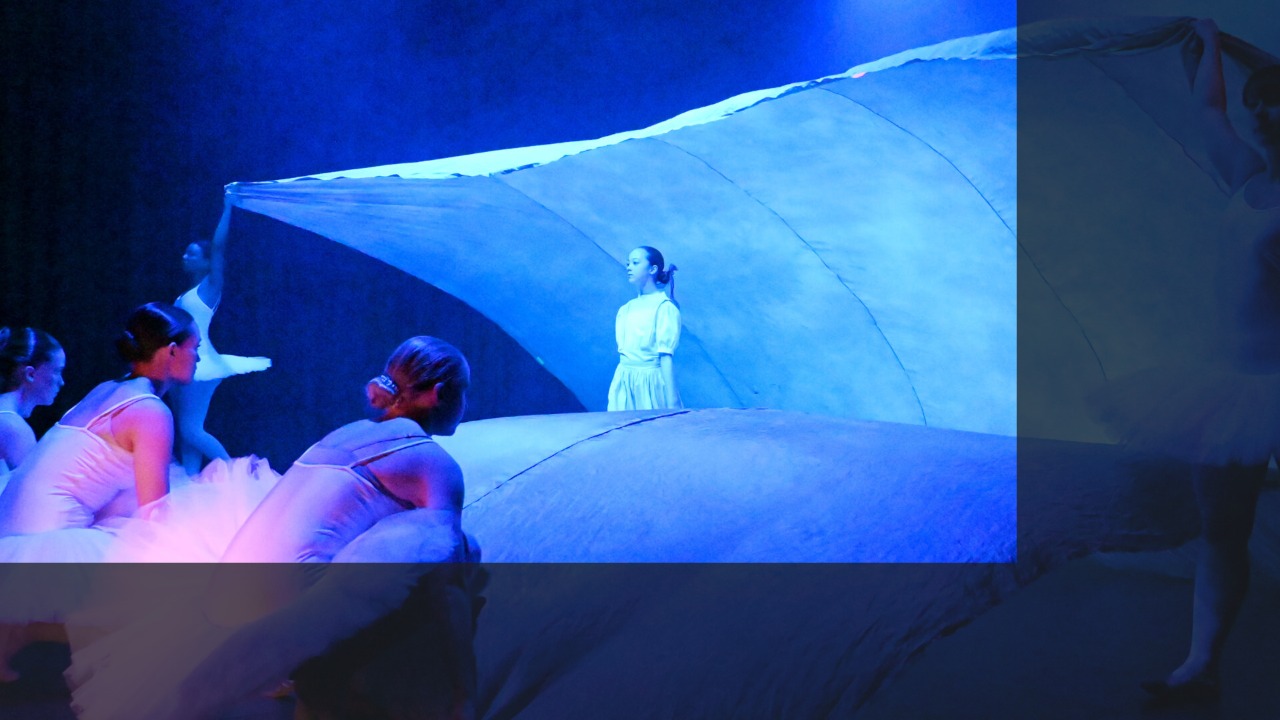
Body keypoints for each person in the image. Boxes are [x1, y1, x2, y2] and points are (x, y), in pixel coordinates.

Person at [67, 335, 477, 720]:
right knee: (458, 549)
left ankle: (318, 691)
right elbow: (447, 582)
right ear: (439, 393)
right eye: (464, 393)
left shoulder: (350, 432)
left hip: (226, 598)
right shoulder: (433, 463)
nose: (466, 404)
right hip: (288, 608)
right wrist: (466, 686)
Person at [1102, 22, 1280, 705]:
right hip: (1230, 389)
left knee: (1225, 531)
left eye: (1274, 106)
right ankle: (1201, 664)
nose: (1260, 116)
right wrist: (1206, 47)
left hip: (1267, 385)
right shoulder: (1246, 179)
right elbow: (1210, 110)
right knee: (1222, 532)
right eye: (1257, 104)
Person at [0, 303, 199, 681]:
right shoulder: (149, 410)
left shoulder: (109, 389)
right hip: (44, 536)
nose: (200, 358)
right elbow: (156, 511)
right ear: (172, 351)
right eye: (196, 348)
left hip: (11, 527)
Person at [170, 195, 271, 475]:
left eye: (192, 254)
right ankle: (190, 482)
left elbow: (218, 247)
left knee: (190, 429)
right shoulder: (188, 293)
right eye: (185, 253)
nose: (185, 257)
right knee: (187, 432)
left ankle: (237, 472)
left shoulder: (210, 287)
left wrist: (227, 207)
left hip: (202, 363)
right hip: (187, 360)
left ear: (206, 262)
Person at [607, 246, 682, 411]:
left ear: (652, 269)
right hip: (624, 379)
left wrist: (673, 403)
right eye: (628, 263)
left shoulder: (664, 307)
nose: (629, 267)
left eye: (635, 263)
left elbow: (665, 356)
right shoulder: (626, 309)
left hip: (650, 382)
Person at [0, 326, 66, 474]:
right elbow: (35, 488)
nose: (62, 382)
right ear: (30, 374)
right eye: (57, 371)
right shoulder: (14, 429)